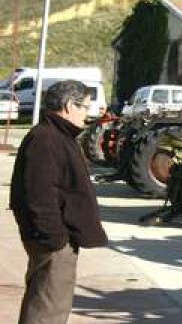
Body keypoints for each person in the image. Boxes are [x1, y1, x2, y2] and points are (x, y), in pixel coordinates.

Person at [11, 80, 108, 324]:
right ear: (68, 106)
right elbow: (39, 196)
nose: (88, 113)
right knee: (47, 309)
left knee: (48, 303)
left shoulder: (57, 135)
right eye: (84, 107)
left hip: (56, 240)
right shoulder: (46, 138)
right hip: (52, 243)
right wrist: (55, 239)